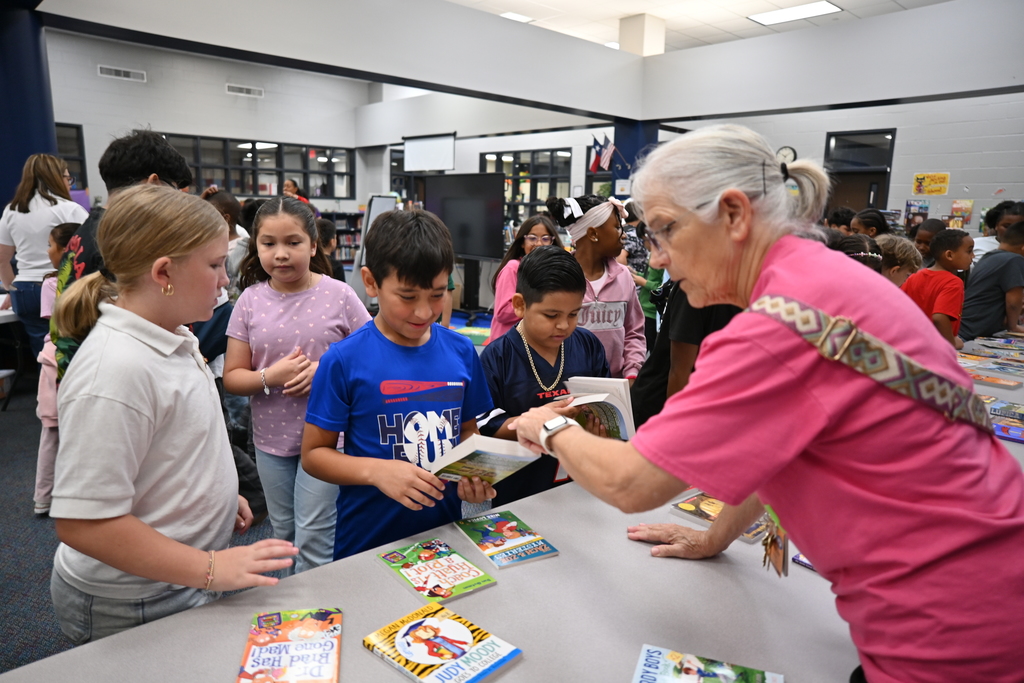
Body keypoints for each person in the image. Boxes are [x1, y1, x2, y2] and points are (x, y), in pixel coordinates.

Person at [509, 124, 1024, 683]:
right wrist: (714, 537)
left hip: (949, 631)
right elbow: (778, 447)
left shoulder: (777, 328)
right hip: (991, 590)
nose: (657, 259)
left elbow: (632, 483)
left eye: (665, 232)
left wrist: (550, 428)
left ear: (733, 214)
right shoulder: (830, 281)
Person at [48, 184, 297, 645]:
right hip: (134, 599)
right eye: (214, 265)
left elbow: (172, 445)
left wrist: (215, 497)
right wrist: (210, 567)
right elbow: (84, 523)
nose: (225, 280)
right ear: (164, 273)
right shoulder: (115, 370)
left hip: (175, 577)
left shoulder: (172, 334)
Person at [301, 209, 495, 560]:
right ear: (371, 282)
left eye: (437, 295)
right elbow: (314, 456)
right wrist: (376, 471)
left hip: (443, 536)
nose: (424, 312)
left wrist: (475, 475)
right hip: (368, 541)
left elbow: (468, 431)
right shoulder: (344, 360)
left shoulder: (462, 351)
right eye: (407, 297)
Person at [223, 198, 370, 575]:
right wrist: (270, 376)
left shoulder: (340, 295)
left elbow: (372, 356)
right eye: (268, 243)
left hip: (328, 439)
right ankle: (296, 606)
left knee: (315, 538)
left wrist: (324, 370)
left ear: (314, 245)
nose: (281, 254)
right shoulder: (249, 302)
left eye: (293, 242)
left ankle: (319, 609)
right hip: (270, 442)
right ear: (255, 246)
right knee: (285, 534)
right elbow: (233, 377)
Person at [51, 129, 193, 380]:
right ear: (153, 183)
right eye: (175, 190)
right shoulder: (122, 242)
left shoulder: (86, 232)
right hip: (109, 376)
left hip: (82, 368)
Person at [477, 246, 609, 505]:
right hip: (520, 493)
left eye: (574, 314)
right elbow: (485, 427)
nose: (564, 325)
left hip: (580, 485)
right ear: (520, 305)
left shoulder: (588, 345)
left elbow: (605, 403)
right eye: (551, 315)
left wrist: (602, 429)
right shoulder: (498, 357)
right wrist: (538, 421)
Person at [546, 194, 645, 382]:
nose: (624, 235)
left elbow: (634, 332)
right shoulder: (557, 278)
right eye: (617, 227)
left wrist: (632, 372)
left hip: (616, 384)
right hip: (567, 386)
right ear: (593, 234)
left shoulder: (624, 276)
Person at [0, 154, 89, 356]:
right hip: (61, 287)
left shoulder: (11, 210)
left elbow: (2, 259)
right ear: (56, 177)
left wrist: (11, 290)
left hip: (24, 290)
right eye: (67, 178)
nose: (69, 183)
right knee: (73, 350)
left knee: (44, 353)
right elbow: (90, 250)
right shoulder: (70, 209)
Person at [32, 222, 79, 516]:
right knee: (56, 430)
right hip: (61, 360)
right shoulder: (55, 283)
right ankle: (45, 497)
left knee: (55, 431)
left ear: (66, 250)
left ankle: (46, 497)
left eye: (51, 245)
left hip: (58, 359)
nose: (48, 251)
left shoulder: (54, 284)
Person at [490, 215, 561, 340]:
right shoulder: (513, 268)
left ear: (552, 242)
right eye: (532, 238)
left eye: (545, 239)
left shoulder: (553, 271)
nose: (539, 243)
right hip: (509, 343)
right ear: (522, 242)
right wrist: (540, 305)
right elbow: (502, 313)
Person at [901, 228, 973, 348]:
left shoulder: (915, 276)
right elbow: (939, 317)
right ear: (949, 255)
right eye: (969, 251)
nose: (973, 256)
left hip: (910, 342)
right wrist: (950, 344)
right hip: (933, 346)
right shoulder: (953, 282)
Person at [959, 220, 1024, 341]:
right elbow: (1013, 303)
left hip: (965, 327)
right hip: (973, 333)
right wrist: (1013, 326)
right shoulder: (1014, 260)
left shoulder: (990, 256)